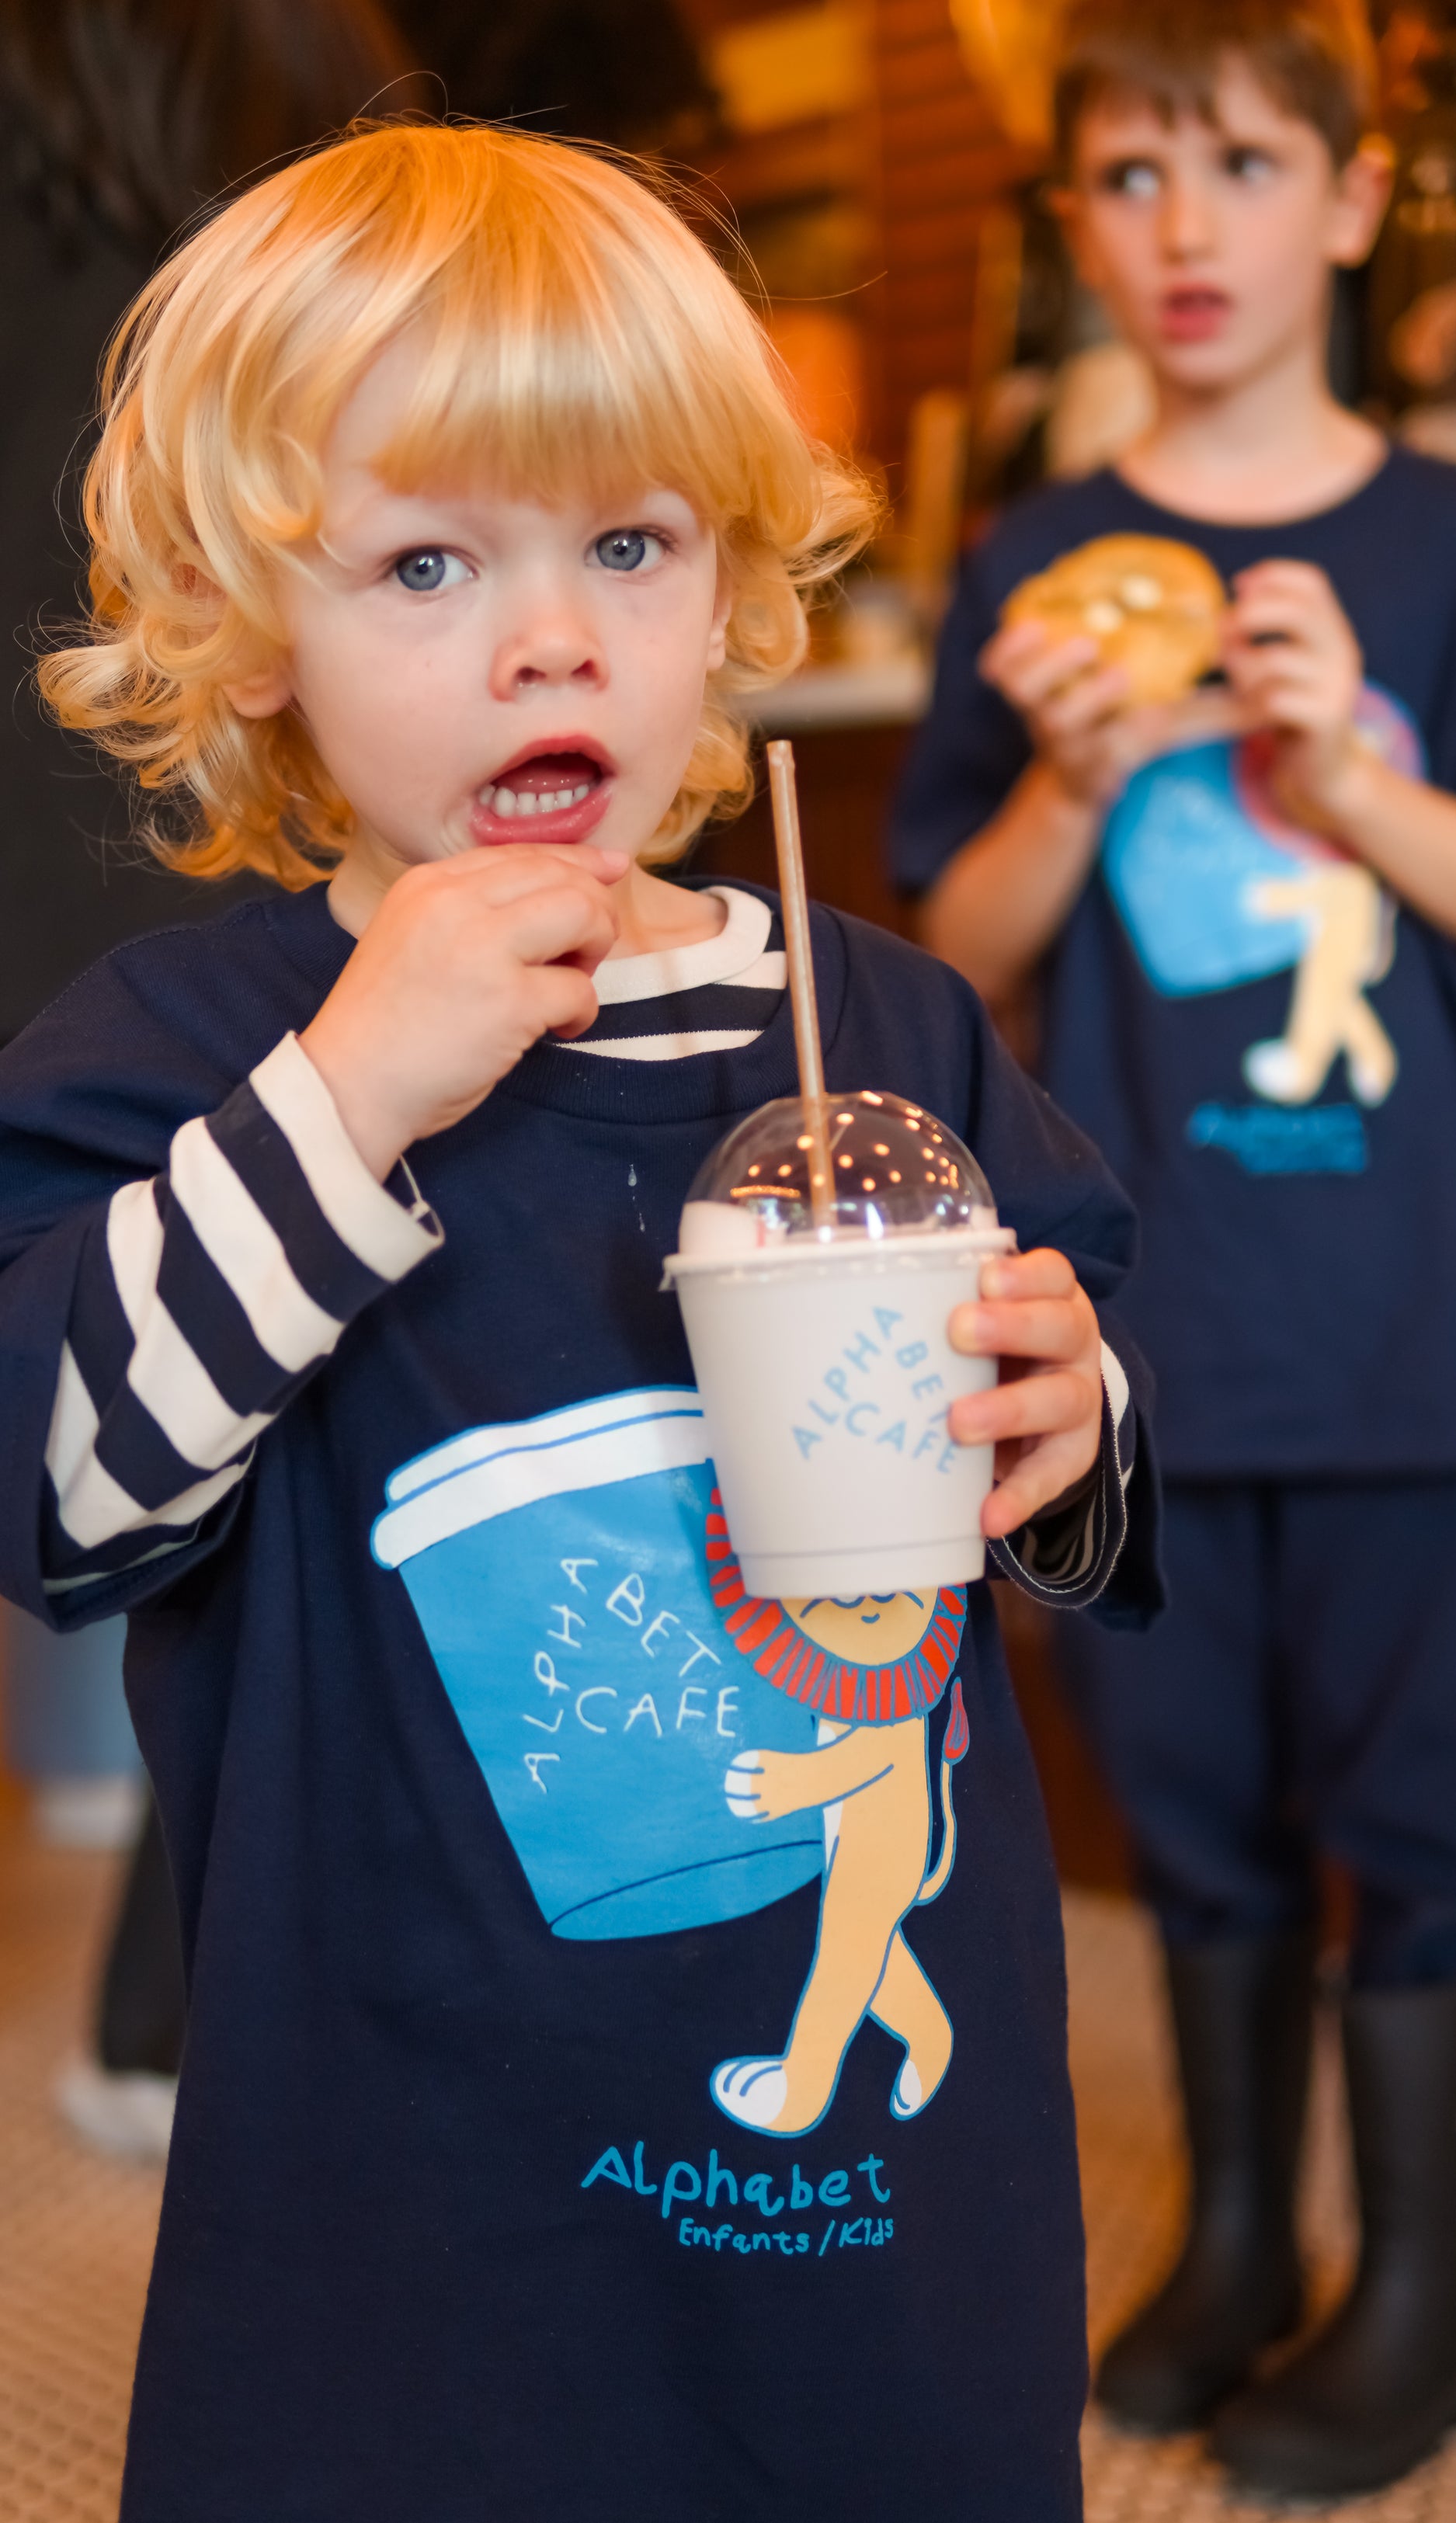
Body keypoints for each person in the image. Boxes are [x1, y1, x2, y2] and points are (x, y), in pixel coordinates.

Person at [0, 122, 1161, 2519]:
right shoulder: (193, 1048)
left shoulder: (884, 1025)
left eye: (629, 544)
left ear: (730, 583)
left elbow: (1097, 1431)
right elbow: (55, 1493)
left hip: (872, 2199)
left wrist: (1076, 1411)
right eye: (429, 560)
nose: (554, 640)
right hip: (399, 2202)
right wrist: (350, 1095)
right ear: (250, 630)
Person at [891, 0, 1456, 2500]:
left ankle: (1429, 2306)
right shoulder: (1038, 569)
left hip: (1411, 1327)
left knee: (1424, 1801)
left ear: (1359, 201)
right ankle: (1252, 2238)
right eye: (1135, 179)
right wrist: (1074, 773)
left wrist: (1350, 781)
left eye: (1245, 169)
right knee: (1187, 1808)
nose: (1187, 230)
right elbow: (956, 932)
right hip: (1146, 1330)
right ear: (1076, 219)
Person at [0, 0, 422, 2161]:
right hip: (202, 851)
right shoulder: (327, 116)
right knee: (285, 1419)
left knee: (128, 1399)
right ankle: (183, 1990)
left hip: (97, 866)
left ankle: (173, 1976)